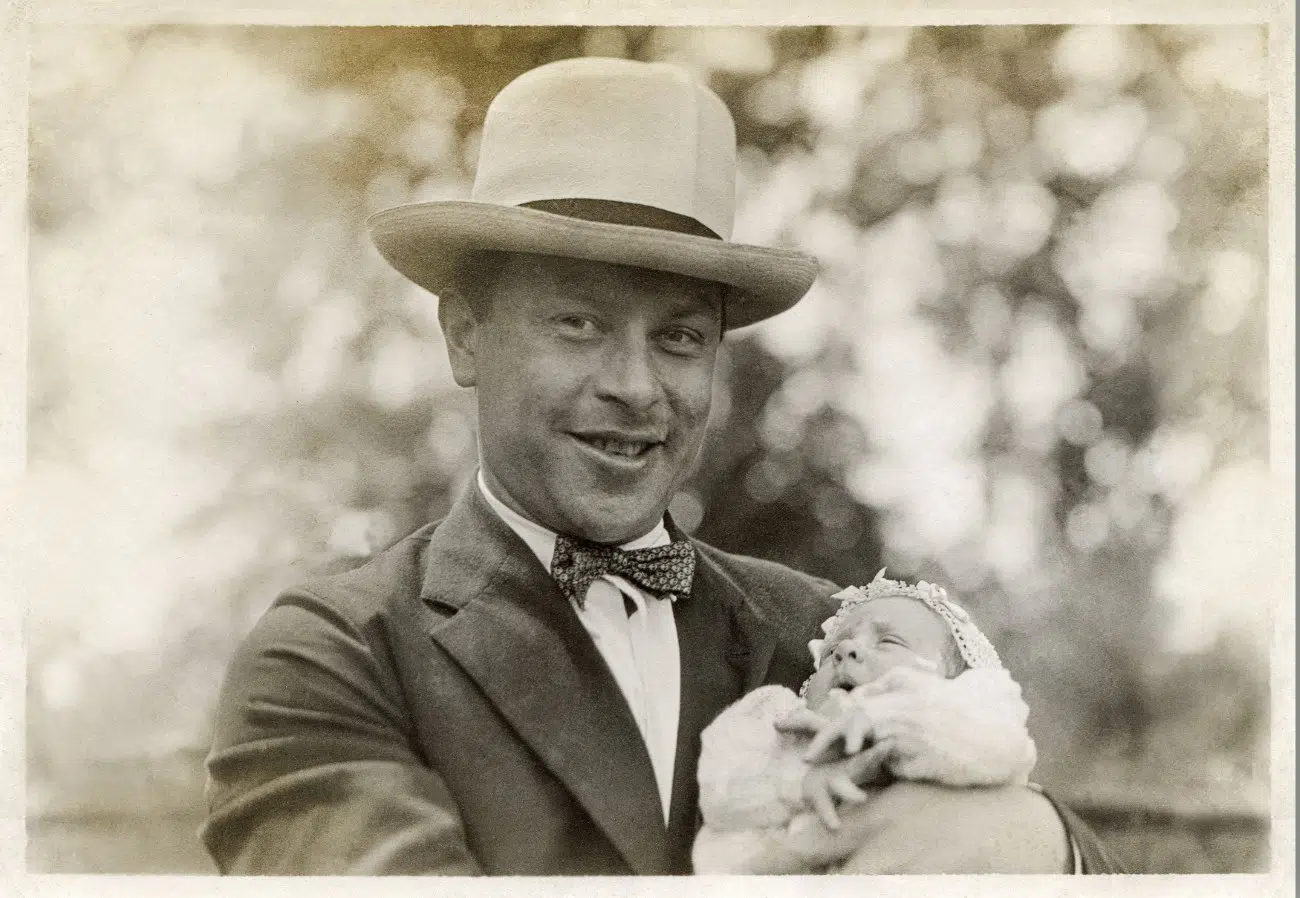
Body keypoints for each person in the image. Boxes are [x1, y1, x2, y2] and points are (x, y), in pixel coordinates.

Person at [199, 56, 1123, 875]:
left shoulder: (828, 635)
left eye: (679, 337)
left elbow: (1054, 850)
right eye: (580, 324)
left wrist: (1010, 835)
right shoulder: (337, 657)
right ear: (466, 337)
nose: (637, 387)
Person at [691, 570, 1043, 874]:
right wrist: (799, 779)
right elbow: (720, 786)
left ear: (954, 682)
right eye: (832, 651)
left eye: (888, 641)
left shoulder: (963, 716)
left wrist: (883, 718)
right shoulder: (779, 720)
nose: (847, 651)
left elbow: (1003, 743)